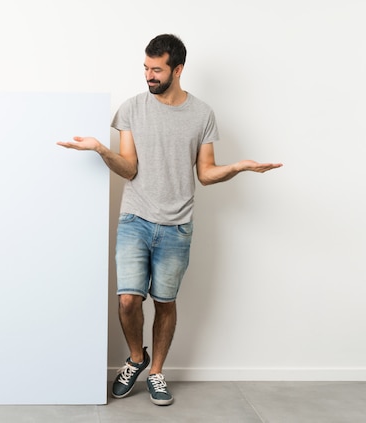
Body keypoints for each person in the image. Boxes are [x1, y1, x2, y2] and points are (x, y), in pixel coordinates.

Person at [57, 34, 282, 406]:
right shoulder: (131, 109)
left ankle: (157, 372)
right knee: (129, 300)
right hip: (135, 219)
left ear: (178, 70)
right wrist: (100, 149)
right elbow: (129, 168)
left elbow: (206, 174)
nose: (148, 75)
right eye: (145, 68)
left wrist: (239, 167)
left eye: (156, 69)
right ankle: (135, 359)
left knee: (165, 302)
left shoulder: (202, 114)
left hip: (177, 225)